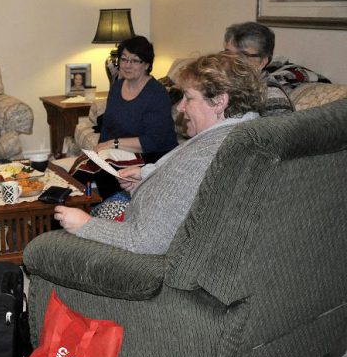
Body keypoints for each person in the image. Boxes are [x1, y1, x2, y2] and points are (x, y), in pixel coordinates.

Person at [54, 52, 266, 255]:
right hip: (144, 217)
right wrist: (146, 177)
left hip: (135, 253)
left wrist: (84, 225)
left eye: (189, 98)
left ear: (220, 102)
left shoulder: (204, 155)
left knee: (54, 241)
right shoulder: (240, 134)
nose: (181, 107)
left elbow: (145, 240)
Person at [89, 35, 178, 199]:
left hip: (153, 154)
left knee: (107, 170)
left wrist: (112, 144)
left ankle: (117, 212)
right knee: (84, 167)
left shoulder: (156, 94)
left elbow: (153, 141)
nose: (127, 65)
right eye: (124, 59)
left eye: (135, 60)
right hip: (123, 151)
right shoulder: (117, 87)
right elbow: (108, 126)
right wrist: (100, 148)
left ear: (147, 65)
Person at [223, 21, 293, 115]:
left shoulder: (273, 102)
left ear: (262, 62)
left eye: (241, 56)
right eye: (228, 53)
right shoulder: (224, 84)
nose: (231, 61)